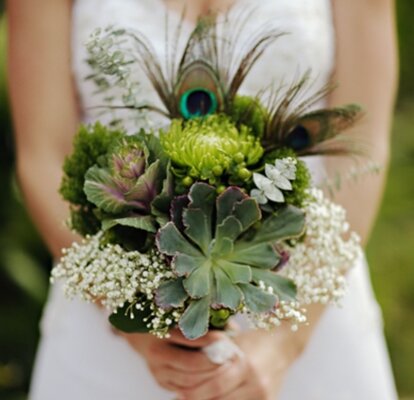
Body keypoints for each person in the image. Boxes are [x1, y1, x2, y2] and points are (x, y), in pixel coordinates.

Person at [7, 0, 399, 399]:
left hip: (310, 307)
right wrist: (139, 325)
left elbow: (360, 151)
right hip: (108, 330)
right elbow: (44, 158)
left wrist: (283, 343)